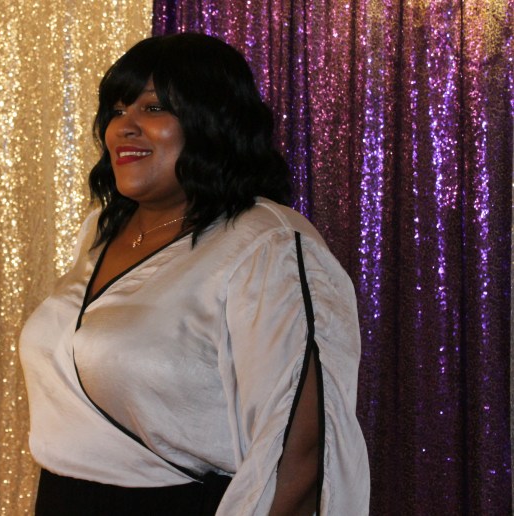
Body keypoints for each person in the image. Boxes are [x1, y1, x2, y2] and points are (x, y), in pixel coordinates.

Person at [19, 33, 370, 515]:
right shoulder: (101, 230)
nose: (124, 127)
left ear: (212, 123)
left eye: (153, 108)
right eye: (116, 111)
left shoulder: (266, 244)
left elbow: (302, 453)